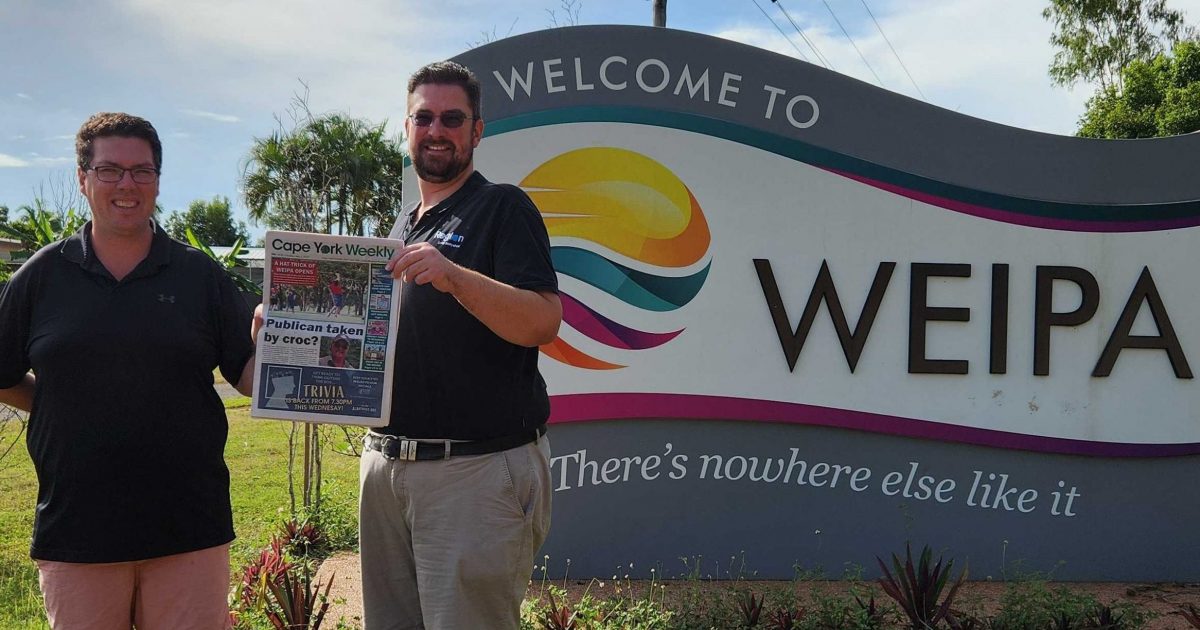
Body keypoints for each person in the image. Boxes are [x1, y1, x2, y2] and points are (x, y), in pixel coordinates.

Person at [0, 112, 262, 629]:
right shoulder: (42, 276)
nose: (127, 184)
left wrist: (288, 349)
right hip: (79, 530)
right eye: (110, 170)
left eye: (142, 171)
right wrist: (64, 399)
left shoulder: (198, 275)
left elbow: (248, 374)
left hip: (190, 526)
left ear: (158, 181)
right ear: (83, 179)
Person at [359, 60, 562, 630]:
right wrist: (284, 329)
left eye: (453, 118)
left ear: (477, 130)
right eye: (424, 117)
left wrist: (454, 276)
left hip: (471, 473)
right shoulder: (405, 225)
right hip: (386, 468)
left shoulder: (502, 208)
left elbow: (544, 320)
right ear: (406, 129)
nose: (437, 129)